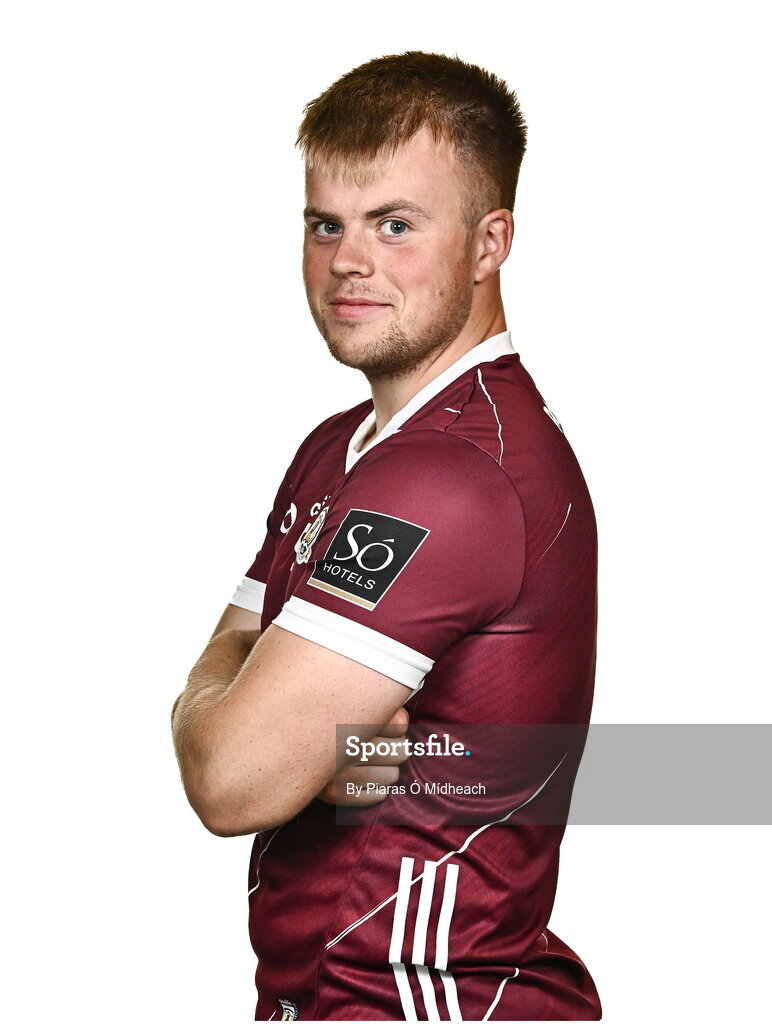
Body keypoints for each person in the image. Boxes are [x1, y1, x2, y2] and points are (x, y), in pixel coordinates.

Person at [172, 50, 602, 1021]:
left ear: (490, 243)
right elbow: (244, 721)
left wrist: (250, 714)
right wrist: (307, 734)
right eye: (326, 224)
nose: (347, 262)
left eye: (394, 225)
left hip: (421, 1001)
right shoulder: (338, 450)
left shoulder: (452, 476)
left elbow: (228, 776)